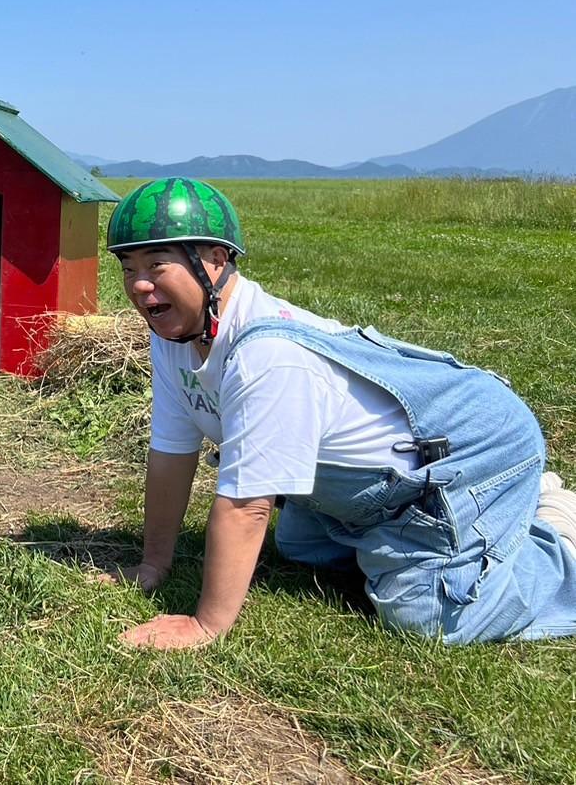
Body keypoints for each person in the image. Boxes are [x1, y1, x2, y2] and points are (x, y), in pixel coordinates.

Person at [100, 177, 576, 648]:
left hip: (474, 451)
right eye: (128, 267)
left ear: (216, 261)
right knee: (301, 548)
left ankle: (556, 530)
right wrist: (153, 565)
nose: (139, 285)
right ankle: (452, 530)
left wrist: (205, 625)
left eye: (157, 264)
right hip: (369, 486)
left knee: (426, 612)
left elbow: (248, 507)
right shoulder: (175, 338)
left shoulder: (267, 355)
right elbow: (171, 453)